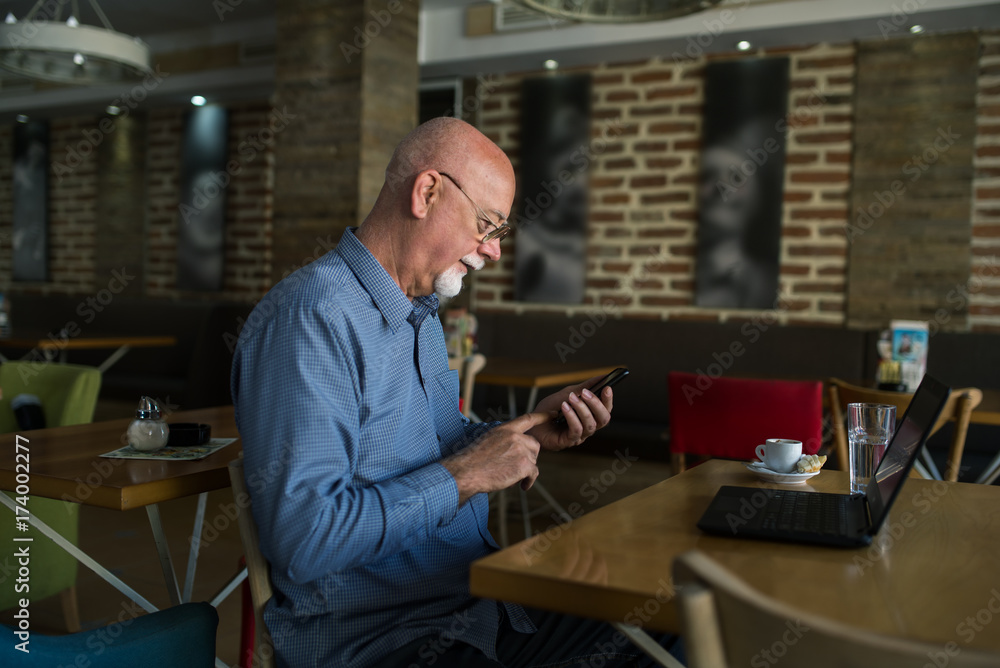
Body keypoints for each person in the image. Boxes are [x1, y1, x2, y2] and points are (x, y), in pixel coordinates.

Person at [231, 117, 682, 667]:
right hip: (387, 640)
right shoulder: (311, 318)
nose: (492, 252)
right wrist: (471, 475)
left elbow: (432, 449)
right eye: (488, 225)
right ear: (427, 192)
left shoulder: (420, 315)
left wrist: (521, 431)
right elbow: (306, 540)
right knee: (670, 645)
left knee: (676, 625)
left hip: (473, 604)